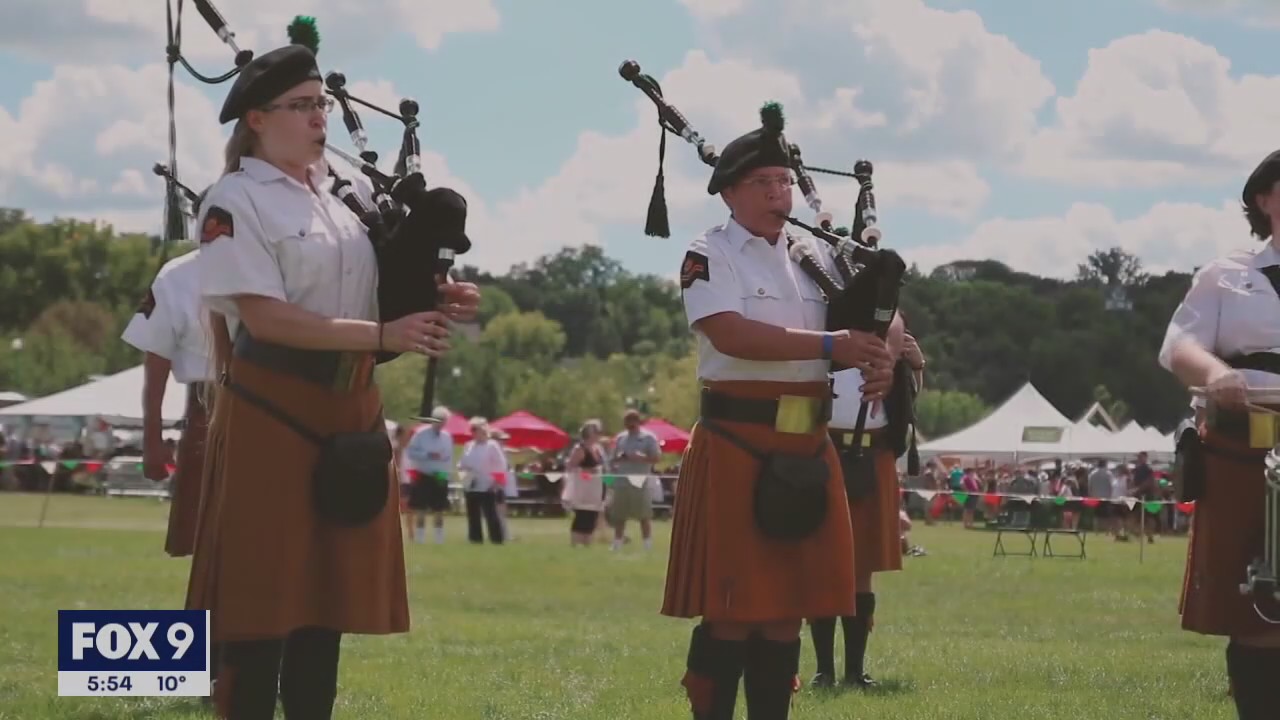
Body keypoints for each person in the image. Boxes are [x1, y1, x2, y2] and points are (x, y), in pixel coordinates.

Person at [186, 42, 480, 720]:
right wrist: (381, 336)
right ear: (258, 119)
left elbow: (378, 291)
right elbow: (265, 316)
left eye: (322, 103)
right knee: (263, 605)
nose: (320, 117)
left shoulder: (346, 198)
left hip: (349, 407)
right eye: (303, 106)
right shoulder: (232, 201)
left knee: (326, 602)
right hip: (274, 405)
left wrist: (437, 298)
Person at [654, 102, 894, 720]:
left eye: (784, 181)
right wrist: (830, 346)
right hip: (738, 441)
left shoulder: (815, 255)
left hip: (807, 446)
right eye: (763, 183)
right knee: (733, 612)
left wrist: (880, 355)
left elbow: (882, 322)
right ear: (729, 192)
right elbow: (729, 334)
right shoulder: (709, 252)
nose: (778, 193)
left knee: (788, 609)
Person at [1158, 148, 1280, 720]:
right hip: (1245, 441)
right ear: (1265, 198)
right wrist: (1217, 374)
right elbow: (1178, 347)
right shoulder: (1226, 274)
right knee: (1257, 602)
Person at [119, 248, 221, 694]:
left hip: (276, 403)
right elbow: (155, 360)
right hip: (208, 407)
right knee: (211, 547)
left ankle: (257, 664)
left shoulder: (283, 259)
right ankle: (205, 666)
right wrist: (151, 438)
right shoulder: (180, 274)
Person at [807, 311, 924, 689]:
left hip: (874, 457)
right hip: (825, 451)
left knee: (863, 568)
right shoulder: (823, 325)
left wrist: (915, 364)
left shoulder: (892, 334)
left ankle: (855, 672)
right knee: (823, 565)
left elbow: (908, 401)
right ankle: (824, 670)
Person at [608, 409, 662, 551]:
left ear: (638, 422)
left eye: (632, 422)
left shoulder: (649, 438)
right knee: (619, 514)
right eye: (626, 422)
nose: (629, 425)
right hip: (622, 480)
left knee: (644, 514)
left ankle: (647, 545)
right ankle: (617, 543)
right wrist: (620, 457)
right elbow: (612, 459)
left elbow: (656, 458)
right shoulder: (620, 438)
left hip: (640, 481)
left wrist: (641, 457)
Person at [403, 407, 455, 544]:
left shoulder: (447, 437)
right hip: (424, 473)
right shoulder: (420, 434)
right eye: (439, 420)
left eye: (444, 421)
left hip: (441, 474)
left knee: (440, 508)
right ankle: (420, 539)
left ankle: (439, 539)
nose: (441, 423)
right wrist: (428, 455)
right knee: (421, 507)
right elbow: (410, 452)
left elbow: (449, 457)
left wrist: (448, 474)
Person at [458, 418, 507, 544]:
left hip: (488, 485)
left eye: (476, 429)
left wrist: (496, 482)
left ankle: (496, 540)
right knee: (473, 515)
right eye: (472, 429)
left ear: (483, 430)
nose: (473, 432)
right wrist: (464, 473)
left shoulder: (492, 445)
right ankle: (475, 539)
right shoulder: (468, 446)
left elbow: (501, 464)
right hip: (471, 484)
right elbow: (462, 463)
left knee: (491, 515)